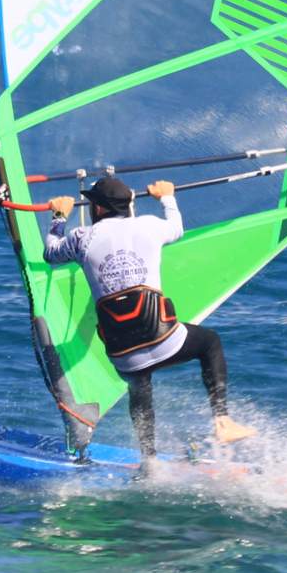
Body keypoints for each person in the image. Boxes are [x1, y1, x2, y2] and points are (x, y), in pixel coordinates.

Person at [42, 176, 256, 466]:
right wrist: (166, 196)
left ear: (99, 209)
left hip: (123, 355)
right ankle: (222, 421)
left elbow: (50, 253)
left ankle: (149, 460)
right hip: (164, 339)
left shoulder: (81, 238)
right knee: (209, 342)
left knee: (138, 382)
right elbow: (177, 228)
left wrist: (59, 215)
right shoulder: (150, 226)